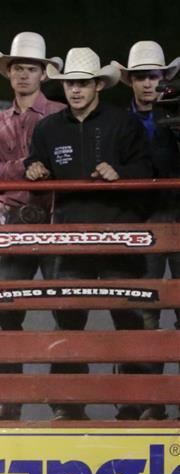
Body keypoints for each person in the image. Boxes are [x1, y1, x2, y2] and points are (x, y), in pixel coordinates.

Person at [24, 47, 154, 421]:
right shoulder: (49, 128)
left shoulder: (122, 124)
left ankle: (132, 403)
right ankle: (68, 404)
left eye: (82, 83)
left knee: (126, 320)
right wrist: (33, 166)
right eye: (70, 84)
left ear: (98, 85)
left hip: (117, 233)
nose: (75, 91)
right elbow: (36, 160)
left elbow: (146, 167)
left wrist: (121, 174)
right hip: (69, 234)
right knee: (69, 318)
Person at [0, 33, 65, 420]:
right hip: (18, 220)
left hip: (53, 218)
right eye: (18, 69)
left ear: (43, 74)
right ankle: (11, 397)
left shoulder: (61, 116)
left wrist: (31, 169)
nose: (24, 75)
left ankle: (66, 398)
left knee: (68, 310)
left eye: (30, 68)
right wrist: (25, 166)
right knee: (7, 311)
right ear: (10, 75)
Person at [113, 40, 180, 420]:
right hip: (143, 220)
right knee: (145, 311)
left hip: (169, 216)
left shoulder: (171, 117)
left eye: (153, 76)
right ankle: (148, 401)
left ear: (162, 78)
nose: (148, 84)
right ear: (132, 82)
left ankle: (152, 400)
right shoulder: (120, 123)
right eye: (141, 77)